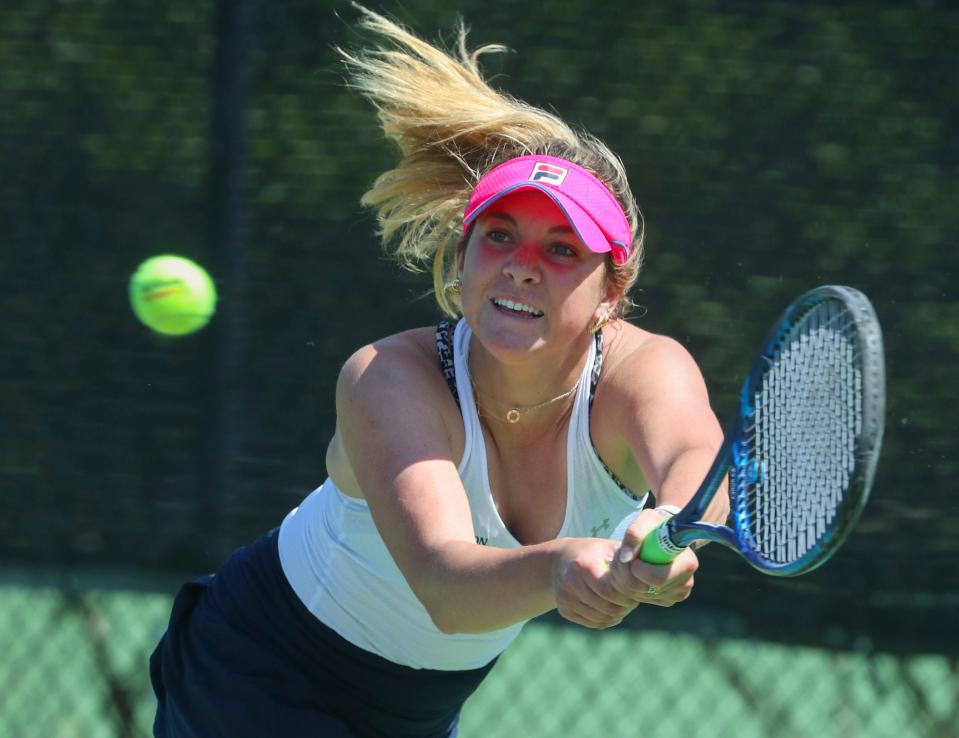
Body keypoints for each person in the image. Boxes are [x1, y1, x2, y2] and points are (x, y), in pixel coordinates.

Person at [150, 7, 729, 738]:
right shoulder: (388, 377)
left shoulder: (643, 372)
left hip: (419, 711)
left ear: (610, 289)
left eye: (560, 249)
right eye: (499, 236)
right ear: (463, 260)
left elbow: (697, 466)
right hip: (260, 667)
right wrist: (558, 568)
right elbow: (444, 586)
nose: (521, 265)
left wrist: (670, 531)